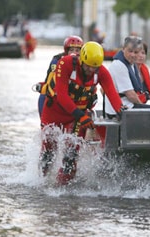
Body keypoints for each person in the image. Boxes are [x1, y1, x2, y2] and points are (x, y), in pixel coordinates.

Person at [39, 41, 124, 185]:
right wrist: (81, 115)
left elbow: (112, 94)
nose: (91, 70)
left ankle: (64, 188)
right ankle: (41, 181)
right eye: (88, 66)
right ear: (81, 61)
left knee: (72, 153)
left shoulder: (101, 71)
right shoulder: (65, 64)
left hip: (78, 116)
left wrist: (122, 112)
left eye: (94, 68)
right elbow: (62, 96)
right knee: (49, 149)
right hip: (55, 111)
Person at [104, 35, 150, 118]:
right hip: (119, 109)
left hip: (128, 105)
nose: (133, 55)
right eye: (130, 51)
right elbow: (130, 95)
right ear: (123, 48)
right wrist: (143, 107)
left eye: (136, 52)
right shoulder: (119, 65)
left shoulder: (131, 64)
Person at [36, 35, 84, 117]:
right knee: (44, 93)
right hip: (56, 97)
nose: (75, 53)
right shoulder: (57, 61)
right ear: (66, 51)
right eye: (71, 50)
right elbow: (51, 81)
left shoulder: (85, 64)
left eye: (77, 50)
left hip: (76, 99)